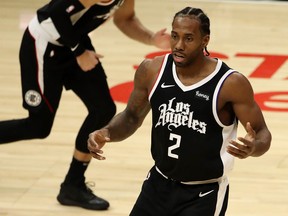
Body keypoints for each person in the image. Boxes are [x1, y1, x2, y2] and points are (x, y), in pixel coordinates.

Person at [87, 6, 272, 216]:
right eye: (174, 36)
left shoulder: (230, 84)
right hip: (158, 183)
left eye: (188, 38)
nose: (179, 45)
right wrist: (107, 132)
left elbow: (263, 133)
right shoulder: (152, 70)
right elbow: (131, 117)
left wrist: (253, 148)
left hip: (203, 193)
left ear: (205, 41)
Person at [0, 0, 170, 211]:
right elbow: (55, 14)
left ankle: (72, 185)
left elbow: (125, 19)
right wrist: (80, 52)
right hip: (44, 45)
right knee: (38, 126)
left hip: (73, 42)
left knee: (103, 109)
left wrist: (151, 38)